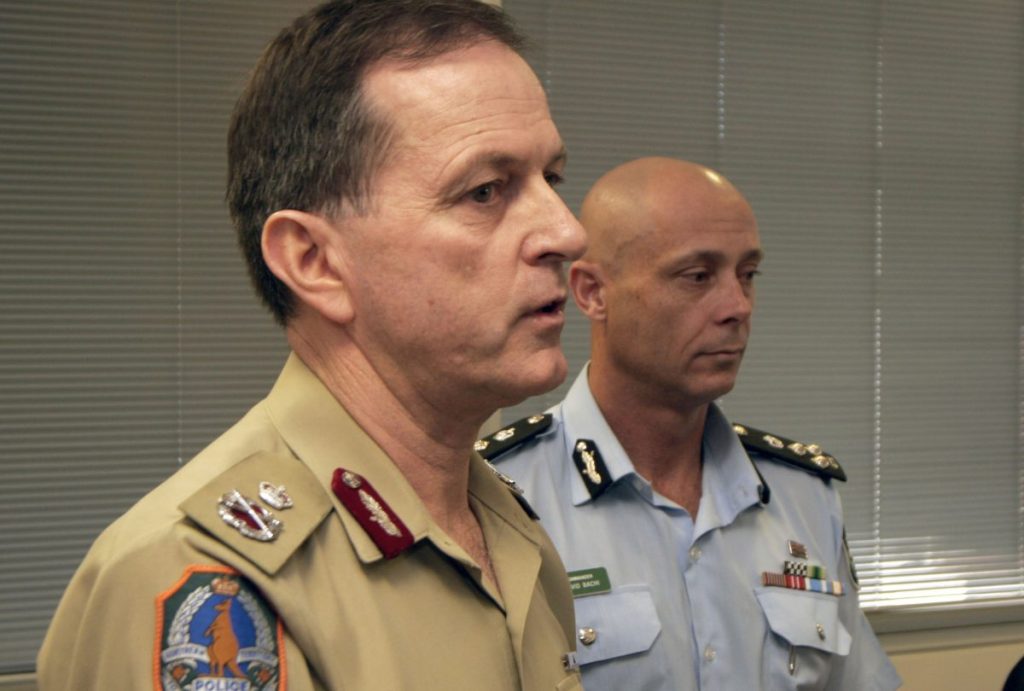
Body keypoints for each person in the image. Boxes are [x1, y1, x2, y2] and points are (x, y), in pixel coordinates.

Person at [36, 2, 588, 689]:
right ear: (314, 262)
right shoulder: (212, 579)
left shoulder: (509, 530)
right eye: (484, 191)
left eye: (552, 179)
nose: (566, 232)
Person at [483, 157, 901, 690]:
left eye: (747, 275)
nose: (736, 306)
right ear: (592, 292)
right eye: (697, 276)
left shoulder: (802, 496)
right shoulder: (504, 500)